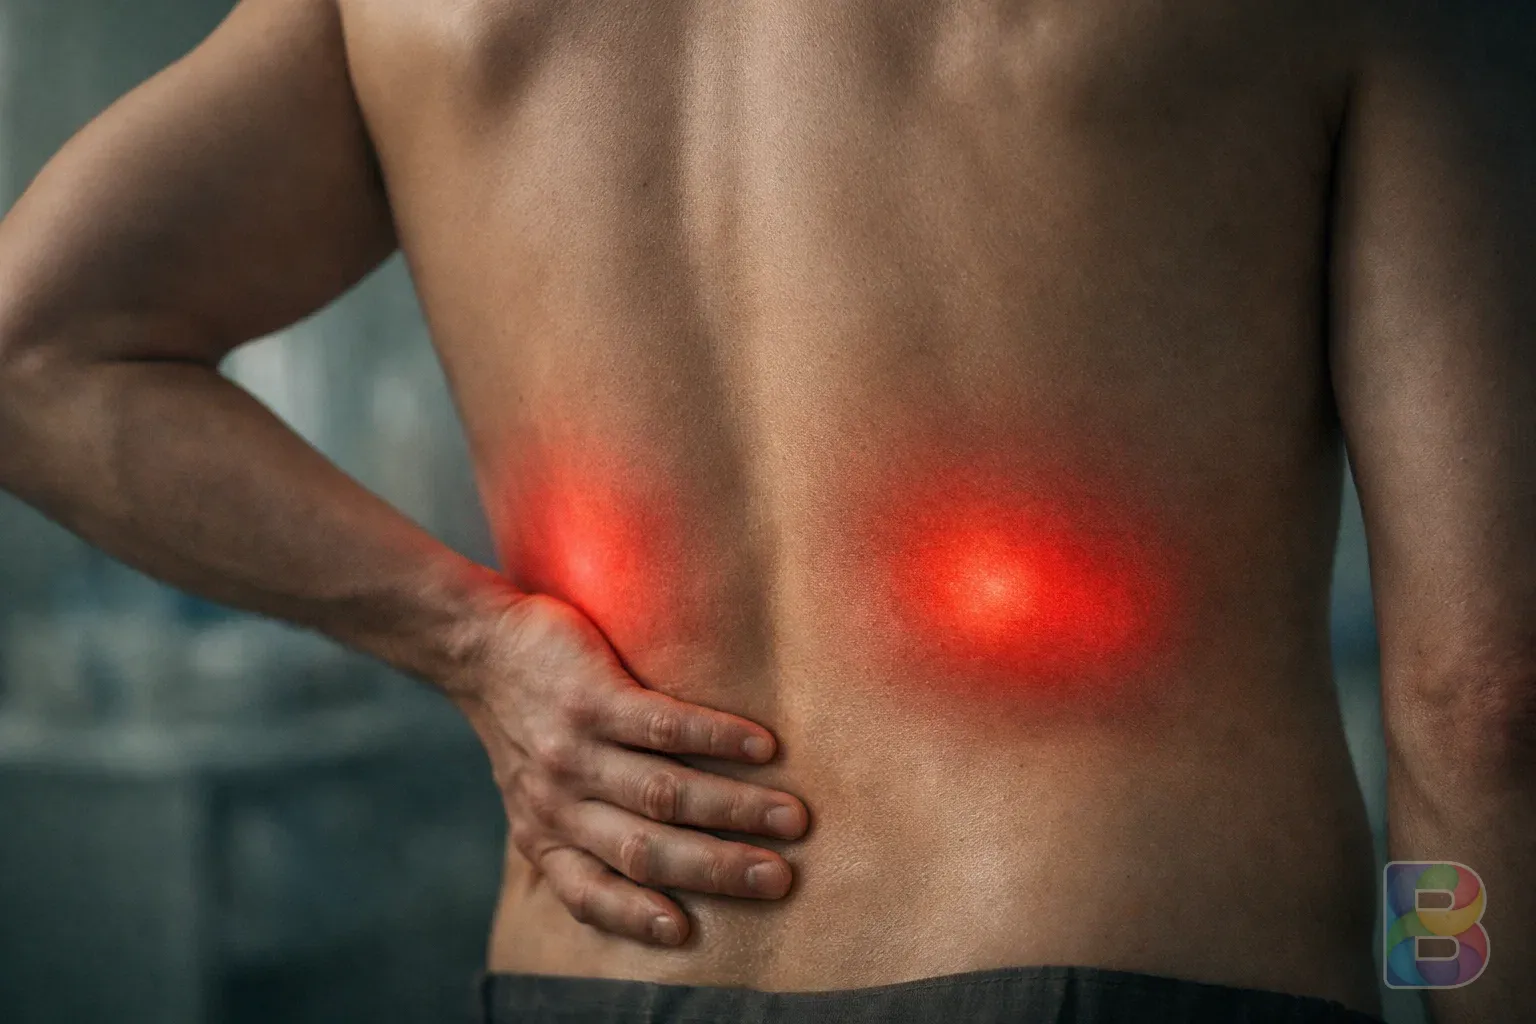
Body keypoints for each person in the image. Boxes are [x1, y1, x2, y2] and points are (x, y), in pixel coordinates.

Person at [0, 0, 1529, 1021]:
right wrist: (1452, 979)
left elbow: (32, 351)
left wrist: (470, 642)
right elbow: (1481, 705)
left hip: (594, 965)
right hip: (1126, 958)